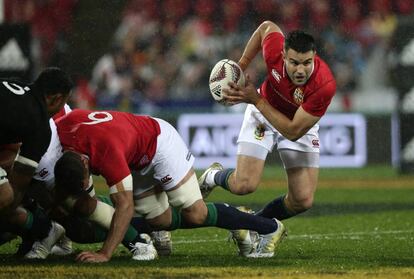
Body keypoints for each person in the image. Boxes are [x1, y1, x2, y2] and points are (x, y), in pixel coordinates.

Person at [53, 109, 286, 262]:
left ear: (85, 162)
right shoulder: (61, 132)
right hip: (134, 154)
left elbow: (125, 207)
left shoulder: (106, 153)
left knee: (196, 214)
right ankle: (217, 201)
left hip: (160, 143)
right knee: (159, 221)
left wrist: (105, 253)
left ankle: (267, 226)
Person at [199, 21, 336, 223]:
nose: (300, 70)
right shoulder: (273, 51)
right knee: (243, 185)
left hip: (296, 123)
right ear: (283, 56)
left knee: (302, 200)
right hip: (262, 116)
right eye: (294, 62)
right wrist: (241, 65)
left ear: (314, 57)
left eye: (307, 63)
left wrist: (255, 99)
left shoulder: (323, 85)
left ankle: (255, 224)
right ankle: (213, 176)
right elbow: (266, 27)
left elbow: (293, 131)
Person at [0, 67, 74, 258]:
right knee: (6, 196)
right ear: (56, 99)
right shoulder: (40, 126)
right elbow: (18, 185)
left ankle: (44, 229)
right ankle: (44, 229)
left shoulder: (15, 83)